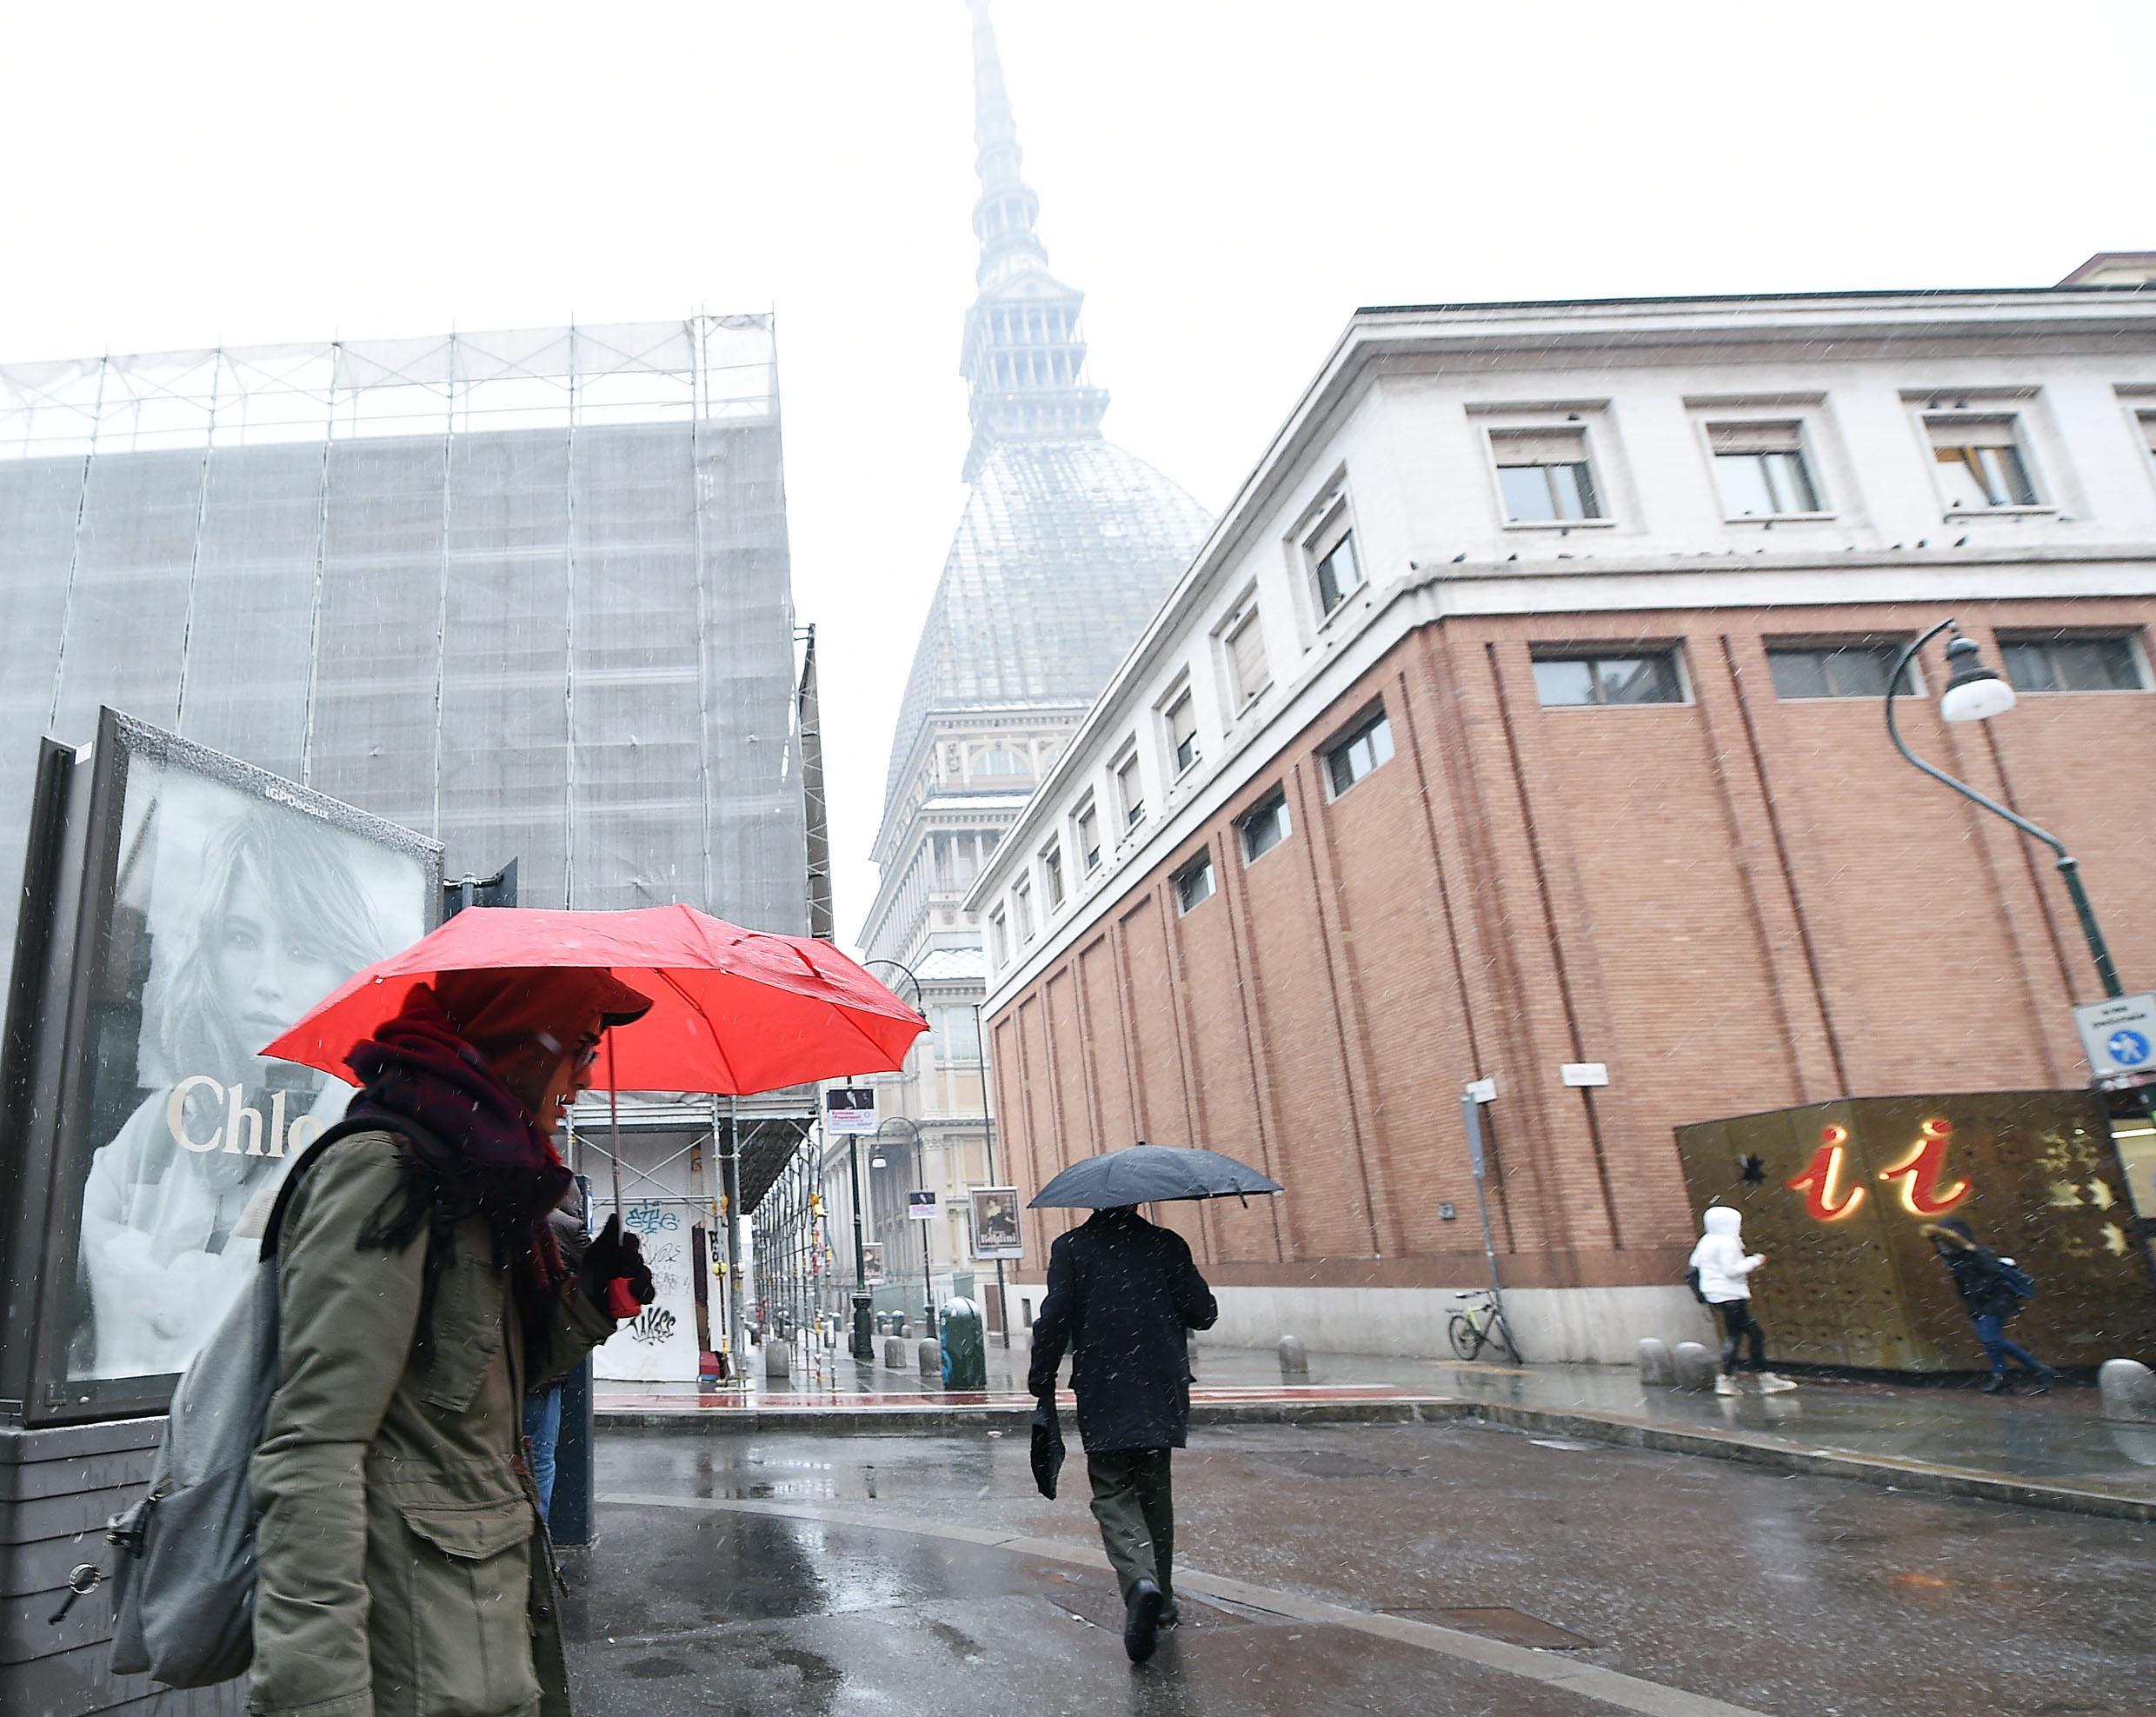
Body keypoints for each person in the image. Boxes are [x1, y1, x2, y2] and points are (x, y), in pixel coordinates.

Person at [249, 967, 657, 1717]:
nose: (588, 1077)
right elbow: (314, 1451)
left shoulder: (482, 1185)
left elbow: (472, 1388)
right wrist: (322, 1697)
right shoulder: (388, 1175)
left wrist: (592, 1301)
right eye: (579, 1047)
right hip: (413, 1661)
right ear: (520, 1043)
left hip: (475, 1647)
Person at [76, 806, 393, 1378]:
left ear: (341, 964)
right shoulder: (161, 1123)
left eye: (300, 950)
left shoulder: (365, 1135)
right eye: (242, 938)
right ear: (210, 948)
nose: (265, 982)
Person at [1027, 1203, 1218, 1665]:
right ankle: (1163, 1599)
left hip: (1105, 1385)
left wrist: (1042, 1375)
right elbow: (1203, 1312)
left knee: (1113, 1492)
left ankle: (1139, 1583)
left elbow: (1054, 1319)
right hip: (1160, 1384)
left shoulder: (1072, 1248)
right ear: (1137, 1201)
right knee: (1155, 1492)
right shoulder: (1166, 1243)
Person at [1922, 1216, 2057, 1394]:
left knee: (1992, 1341)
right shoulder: (1957, 1259)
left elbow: (1992, 1275)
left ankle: (2037, 1370)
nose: (1940, 1246)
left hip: (1994, 1303)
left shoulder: (1976, 1254)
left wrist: (1978, 1292)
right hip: (1981, 1305)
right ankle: (2002, 1375)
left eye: (1942, 1241)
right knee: (1991, 1343)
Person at [523, 1181, 590, 1524]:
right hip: (545, 1358)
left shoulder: (509, 1215)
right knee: (543, 1458)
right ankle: (539, 1543)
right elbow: (596, 1281)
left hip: (505, 1357)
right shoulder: (569, 1228)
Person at [1688, 1205, 1797, 1396]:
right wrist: (1756, 1261)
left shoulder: (1707, 1241)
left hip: (1716, 1295)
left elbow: (1694, 1265)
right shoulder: (1727, 1243)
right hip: (1731, 1295)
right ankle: (1735, 1379)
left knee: (1744, 1335)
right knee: (1745, 1336)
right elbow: (1732, 1270)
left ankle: (1753, 1377)